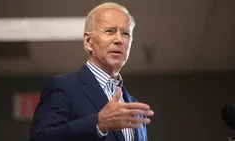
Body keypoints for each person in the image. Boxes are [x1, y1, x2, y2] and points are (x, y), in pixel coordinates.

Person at [30, 2, 154, 141]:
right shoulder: (63, 87)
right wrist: (98, 124)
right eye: (110, 31)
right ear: (88, 41)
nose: (119, 39)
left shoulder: (134, 109)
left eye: (125, 33)